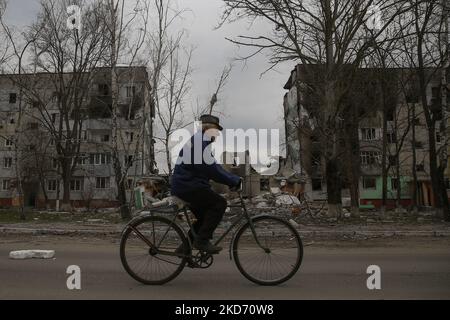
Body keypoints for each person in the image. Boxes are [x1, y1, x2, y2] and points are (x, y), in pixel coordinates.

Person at [171, 114, 242, 254]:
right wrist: (232, 181)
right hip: (188, 186)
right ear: (208, 128)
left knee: (204, 217)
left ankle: (184, 248)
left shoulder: (201, 142)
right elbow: (211, 169)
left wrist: (231, 178)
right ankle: (202, 241)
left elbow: (215, 166)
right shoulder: (199, 142)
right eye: (216, 130)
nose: (217, 134)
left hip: (188, 185)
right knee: (219, 204)